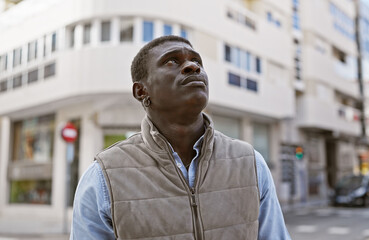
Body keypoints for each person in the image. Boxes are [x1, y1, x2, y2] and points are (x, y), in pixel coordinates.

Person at [70, 35, 292, 240]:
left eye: (197, 61)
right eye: (171, 62)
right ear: (141, 91)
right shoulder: (103, 177)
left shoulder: (251, 163)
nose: (193, 66)